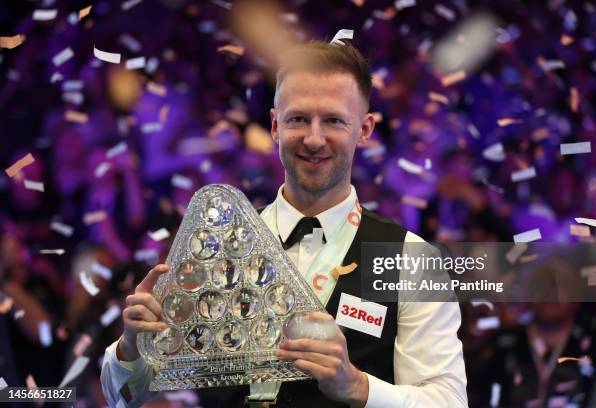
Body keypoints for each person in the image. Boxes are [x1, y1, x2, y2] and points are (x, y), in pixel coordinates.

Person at [101, 41, 468, 407]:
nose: (313, 138)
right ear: (275, 125)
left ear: (365, 130)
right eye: (298, 119)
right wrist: (132, 347)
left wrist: (358, 386)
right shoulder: (216, 244)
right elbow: (127, 396)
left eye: (334, 120)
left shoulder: (413, 260)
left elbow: (449, 401)